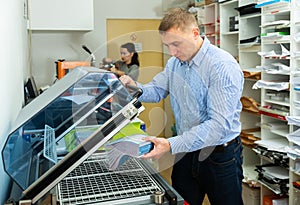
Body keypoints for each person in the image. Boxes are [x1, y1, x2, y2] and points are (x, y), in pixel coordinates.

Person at [120, 8, 244, 205]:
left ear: (195, 33)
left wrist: (170, 144)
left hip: (218, 156)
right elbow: (157, 90)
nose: (172, 52)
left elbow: (218, 126)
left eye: (176, 44)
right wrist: (133, 88)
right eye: (167, 45)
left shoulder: (221, 65)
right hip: (186, 152)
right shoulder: (174, 64)